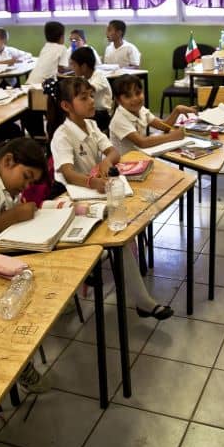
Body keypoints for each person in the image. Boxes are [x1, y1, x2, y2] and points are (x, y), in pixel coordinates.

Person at [47, 77, 173, 320]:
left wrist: (106, 161)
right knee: (120, 234)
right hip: (75, 200)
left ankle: (133, 280)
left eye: (91, 96)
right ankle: (143, 302)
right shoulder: (62, 135)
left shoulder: (92, 126)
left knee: (135, 211)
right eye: (83, 98)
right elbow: (67, 172)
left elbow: (113, 151)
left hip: (97, 192)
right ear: (66, 106)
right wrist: (92, 181)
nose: (91, 101)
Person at [109, 74, 195, 156]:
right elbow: (142, 142)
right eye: (128, 96)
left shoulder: (141, 110)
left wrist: (177, 110)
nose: (135, 98)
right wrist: (173, 136)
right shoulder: (119, 119)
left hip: (140, 158)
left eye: (138, 93)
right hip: (124, 164)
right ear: (118, 100)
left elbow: (164, 126)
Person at [23, 21, 69, 137]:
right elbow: (62, 69)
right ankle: (52, 134)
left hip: (30, 84)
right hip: (43, 86)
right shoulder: (62, 48)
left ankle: (39, 135)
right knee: (54, 109)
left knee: (32, 111)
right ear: (61, 37)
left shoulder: (46, 46)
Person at [69, 46, 112, 131]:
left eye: (74, 65)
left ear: (84, 66)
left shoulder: (99, 76)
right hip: (92, 111)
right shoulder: (85, 78)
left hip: (102, 114)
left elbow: (88, 90)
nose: (72, 68)